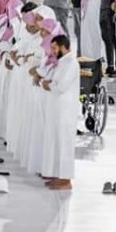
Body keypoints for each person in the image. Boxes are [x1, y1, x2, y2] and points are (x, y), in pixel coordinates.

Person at [40, 34, 78, 190]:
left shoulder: (71, 63)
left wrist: (48, 86)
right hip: (57, 108)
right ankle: (58, 174)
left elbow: (61, 86)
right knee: (56, 141)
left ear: (63, 47)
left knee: (64, 144)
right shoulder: (61, 63)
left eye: (55, 48)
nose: (53, 52)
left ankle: (66, 179)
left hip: (66, 111)